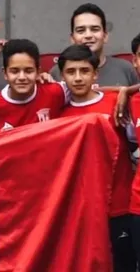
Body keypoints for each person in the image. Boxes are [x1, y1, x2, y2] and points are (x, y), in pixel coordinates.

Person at [58, 44, 136, 272]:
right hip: (81, 211)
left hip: (119, 207)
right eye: (71, 72)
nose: (78, 77)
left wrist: (126, 91)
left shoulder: (117, 103)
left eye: (84, 71)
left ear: (95, 74)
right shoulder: (58, 113)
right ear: (62, 76)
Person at [0, 39, 68, 135]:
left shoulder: (57, 92)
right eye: (14, 71)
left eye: (29, 71)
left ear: (38, 72)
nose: (22, 77)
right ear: (5, 73)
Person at [49, 3, 139, 87]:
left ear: (105, 36)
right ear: (72, 38)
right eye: (81, 30)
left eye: (95, 29)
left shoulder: (126, 69)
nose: (88, 35)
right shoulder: (57, 72)